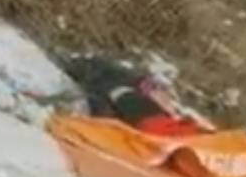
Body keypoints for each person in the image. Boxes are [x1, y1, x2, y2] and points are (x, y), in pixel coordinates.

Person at [62, 55, 211, 137]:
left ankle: (85, 68)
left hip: (151, 122)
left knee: (116, 88)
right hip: (156, 120)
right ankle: (86, 68)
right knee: (123, 85)